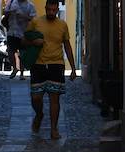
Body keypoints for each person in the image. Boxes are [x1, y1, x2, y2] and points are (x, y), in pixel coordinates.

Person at [24, 0, 77, 140]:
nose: (51, 12)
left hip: (56, 64)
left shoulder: (62, 25)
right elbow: (23, 41)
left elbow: (67, 46)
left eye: (54, 10)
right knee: (36, 97)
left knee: (54, 98)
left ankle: (54, 129)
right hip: (38, 65)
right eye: (49, 10)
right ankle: (39, 114)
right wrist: (33, 42)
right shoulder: (36, 23)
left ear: (57, 9)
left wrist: (73, 68)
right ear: (45, 8)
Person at [2, 0, 35, 79]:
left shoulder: (30, 5)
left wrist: (23, 16)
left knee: (22, 53)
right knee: (10, 51)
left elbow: (33, 19)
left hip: (24, 32)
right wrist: (10, 12)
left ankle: (22, 73)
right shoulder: (11, 2)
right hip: (12, 31)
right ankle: (15, 68)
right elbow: (5, 13)